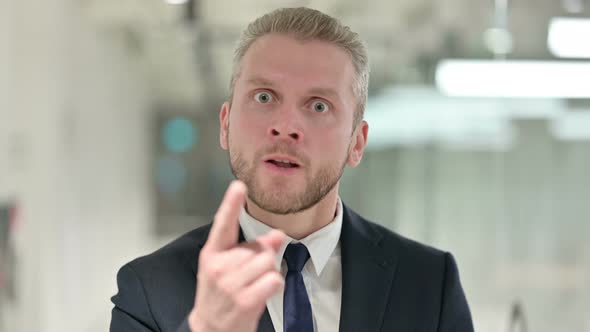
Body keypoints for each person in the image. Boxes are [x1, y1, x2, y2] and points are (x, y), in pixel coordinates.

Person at [110, 7, 474, 332]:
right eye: (264, 97)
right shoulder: (149, 290)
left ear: (356, 142)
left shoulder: (429, 283)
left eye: (318, 106)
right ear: (225, 124)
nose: (286, 126)